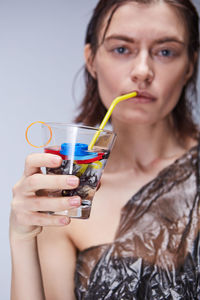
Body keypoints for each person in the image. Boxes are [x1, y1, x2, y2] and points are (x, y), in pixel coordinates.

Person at [10, 0, 200, 299]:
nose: (142, 71)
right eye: (121, 49)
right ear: (91, 60)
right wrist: (22, 237)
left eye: (165, 51)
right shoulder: (68, 196)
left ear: (189, 65)